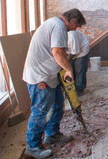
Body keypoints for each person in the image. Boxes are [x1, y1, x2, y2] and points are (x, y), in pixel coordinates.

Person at [23, 8, 86, 158]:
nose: (75, 29)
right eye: (76, 25)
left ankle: (52, 134)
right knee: (41, 111)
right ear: (71, 21)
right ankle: (32, 146)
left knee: (58, 104)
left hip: (49, 75)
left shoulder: (54, 23)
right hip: (40, 76)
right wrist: (69, 69)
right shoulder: (58, 26)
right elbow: (57, 52)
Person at [67, 30, 90, 96]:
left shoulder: (71, 36)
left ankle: (79, 90)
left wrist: (67, 60)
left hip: (82, 47)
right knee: (71, 68)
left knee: (80, 69)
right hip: (72, 49)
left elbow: (74, 52)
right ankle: (72, 87)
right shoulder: (57, 37)